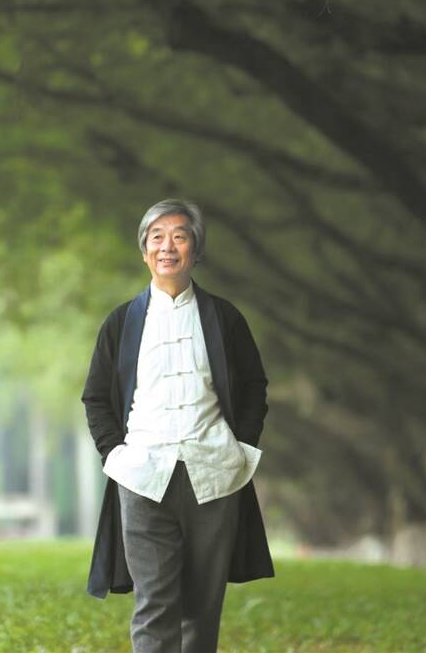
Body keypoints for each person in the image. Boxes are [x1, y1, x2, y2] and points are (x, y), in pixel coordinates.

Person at [81, 198, 274, 653]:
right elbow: (96, 397)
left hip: (214, 474)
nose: (167, 246)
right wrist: (116, 454)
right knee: (154, 604)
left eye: (179, 237)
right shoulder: (121, 322)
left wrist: (241, 448)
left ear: (195, 250)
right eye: (157, 237)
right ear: (144, 251)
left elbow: (254, 387)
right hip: (143, 478)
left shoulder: (224, 318)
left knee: (202, 610)